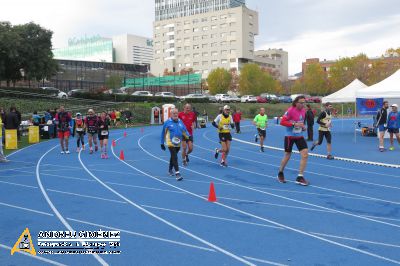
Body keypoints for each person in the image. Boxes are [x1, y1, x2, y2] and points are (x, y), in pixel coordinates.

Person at [277, 95, 309, 186]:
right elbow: (282, 122)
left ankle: (300, 176)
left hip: (299, 136)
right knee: (287, 155)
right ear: (296, 103)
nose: (303, 104)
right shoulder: (290, 110)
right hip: (289, 136)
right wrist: (294, 124)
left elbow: (301, 122)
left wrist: (303, 127)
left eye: (304, 102)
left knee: (305, 154)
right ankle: (280, 172)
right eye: (301, 103)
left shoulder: (303, 111)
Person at [160, 108, 190, 181]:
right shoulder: (167, 122)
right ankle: (177, 173)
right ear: (171, 114)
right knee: (175, 157)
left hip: (178, 142)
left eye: (176, 113)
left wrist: (189, 137)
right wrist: (162, 143)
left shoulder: (180, 121)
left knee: (173, 157)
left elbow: (184, 130)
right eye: (174, 113)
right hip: (170, 142)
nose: (175, 114)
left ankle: (170, 169)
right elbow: (163, 133)